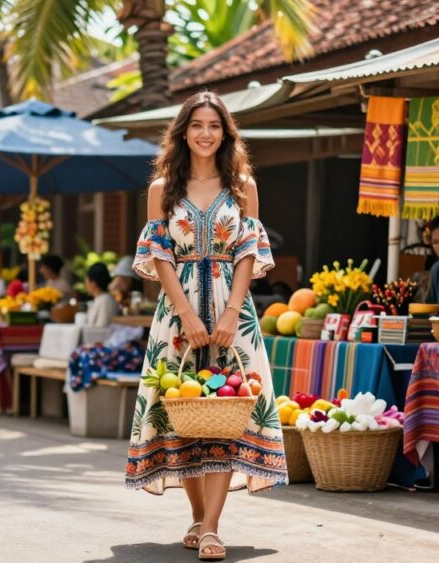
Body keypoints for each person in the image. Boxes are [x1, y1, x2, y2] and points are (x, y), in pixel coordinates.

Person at [125, 91, 286, 561]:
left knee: (228, 413)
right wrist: (188, 315)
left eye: (214, 125)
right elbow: (160, 257)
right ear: (183, 132)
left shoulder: (242, 186)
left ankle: (212, 526)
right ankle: (197, 517)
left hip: (234, 311)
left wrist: (233, 311)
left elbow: (248, 253)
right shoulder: (162, 190)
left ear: (225, 133)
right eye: (196, 124)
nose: (205, 133)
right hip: (176, 316)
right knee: (187, 413)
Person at [85, 263, 119, 327]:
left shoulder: (105, 300)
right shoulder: (100, 299)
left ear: (93, 283)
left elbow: (102, 326)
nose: (86, 286)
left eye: (86, 282)